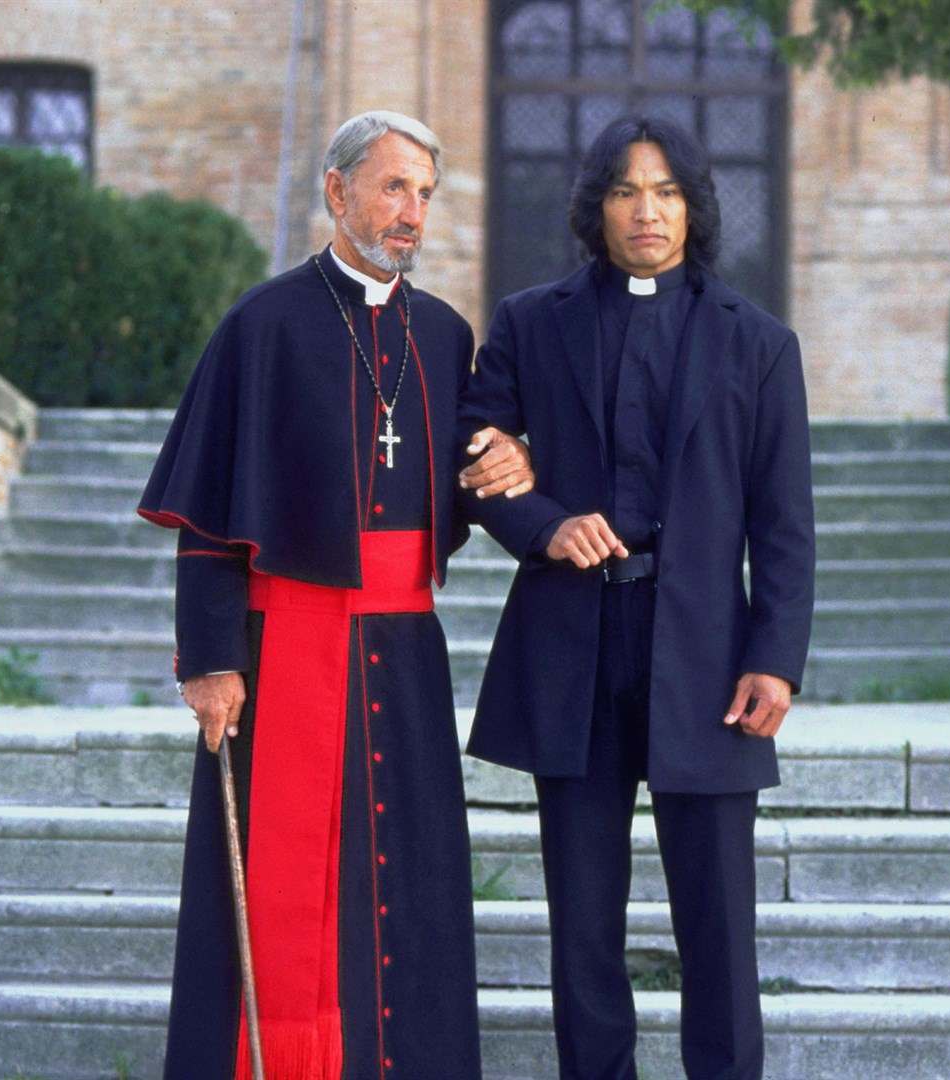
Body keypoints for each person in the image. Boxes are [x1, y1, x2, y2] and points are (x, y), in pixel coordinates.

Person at [139, 110, 530, 1080]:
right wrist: (211, 657)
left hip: (405, 652)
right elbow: (208, 510)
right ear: (338, 190)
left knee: (410, 883)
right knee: (284, 898)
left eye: (426, 195)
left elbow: (477, 469)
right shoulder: (262, 326)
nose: (411, 214)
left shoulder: (443, 335)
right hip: (285, 650)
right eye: (394, 188)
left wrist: (520, 462)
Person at [457, 115, 816, 1080]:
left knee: (720, 929)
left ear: (694, 208)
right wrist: (545, 520)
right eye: (624, 191)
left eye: (664, 192)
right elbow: (477, 460)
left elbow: (785, 525)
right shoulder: (532, 323)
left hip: (706, 657)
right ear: (597, 208)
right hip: (571, 646)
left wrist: (776, 658)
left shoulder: (762, 345)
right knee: (582, 925)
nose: (645, 211)